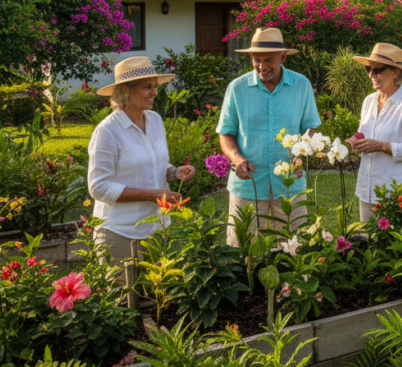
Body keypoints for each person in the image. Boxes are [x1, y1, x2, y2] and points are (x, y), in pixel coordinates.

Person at [218, 28, 321, 247]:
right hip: (248, 185)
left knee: (294, 249)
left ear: (283, 57)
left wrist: (301, 156)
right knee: (245, 251)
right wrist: (237, 159)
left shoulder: (301, 85)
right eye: (256, 60)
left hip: (289, 185)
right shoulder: (237, 88)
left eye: (269, 60)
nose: (262, 66)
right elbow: (226, 133)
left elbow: (312, 128)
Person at [88, 57, 196, 263]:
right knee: (123, 294)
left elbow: (156, 164)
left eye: (155, 86)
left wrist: (175, 172)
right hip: (120, 233)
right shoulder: (107, 131)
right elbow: (98, 187)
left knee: (156, 295)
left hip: (156, 227)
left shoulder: (154, 120)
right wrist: (151, 194)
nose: (155, 92)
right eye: (147, 87)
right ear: (126, 91)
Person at [349, 43, 402, 221]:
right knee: (370, 243)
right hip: (367, 187)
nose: (371, 75)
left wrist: (382, 146)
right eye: (369, 69)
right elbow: (363, 133)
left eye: (378, 70)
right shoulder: (369, 101)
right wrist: (356, 141)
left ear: (395, 72)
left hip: (396, 191)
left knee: (399, 245)